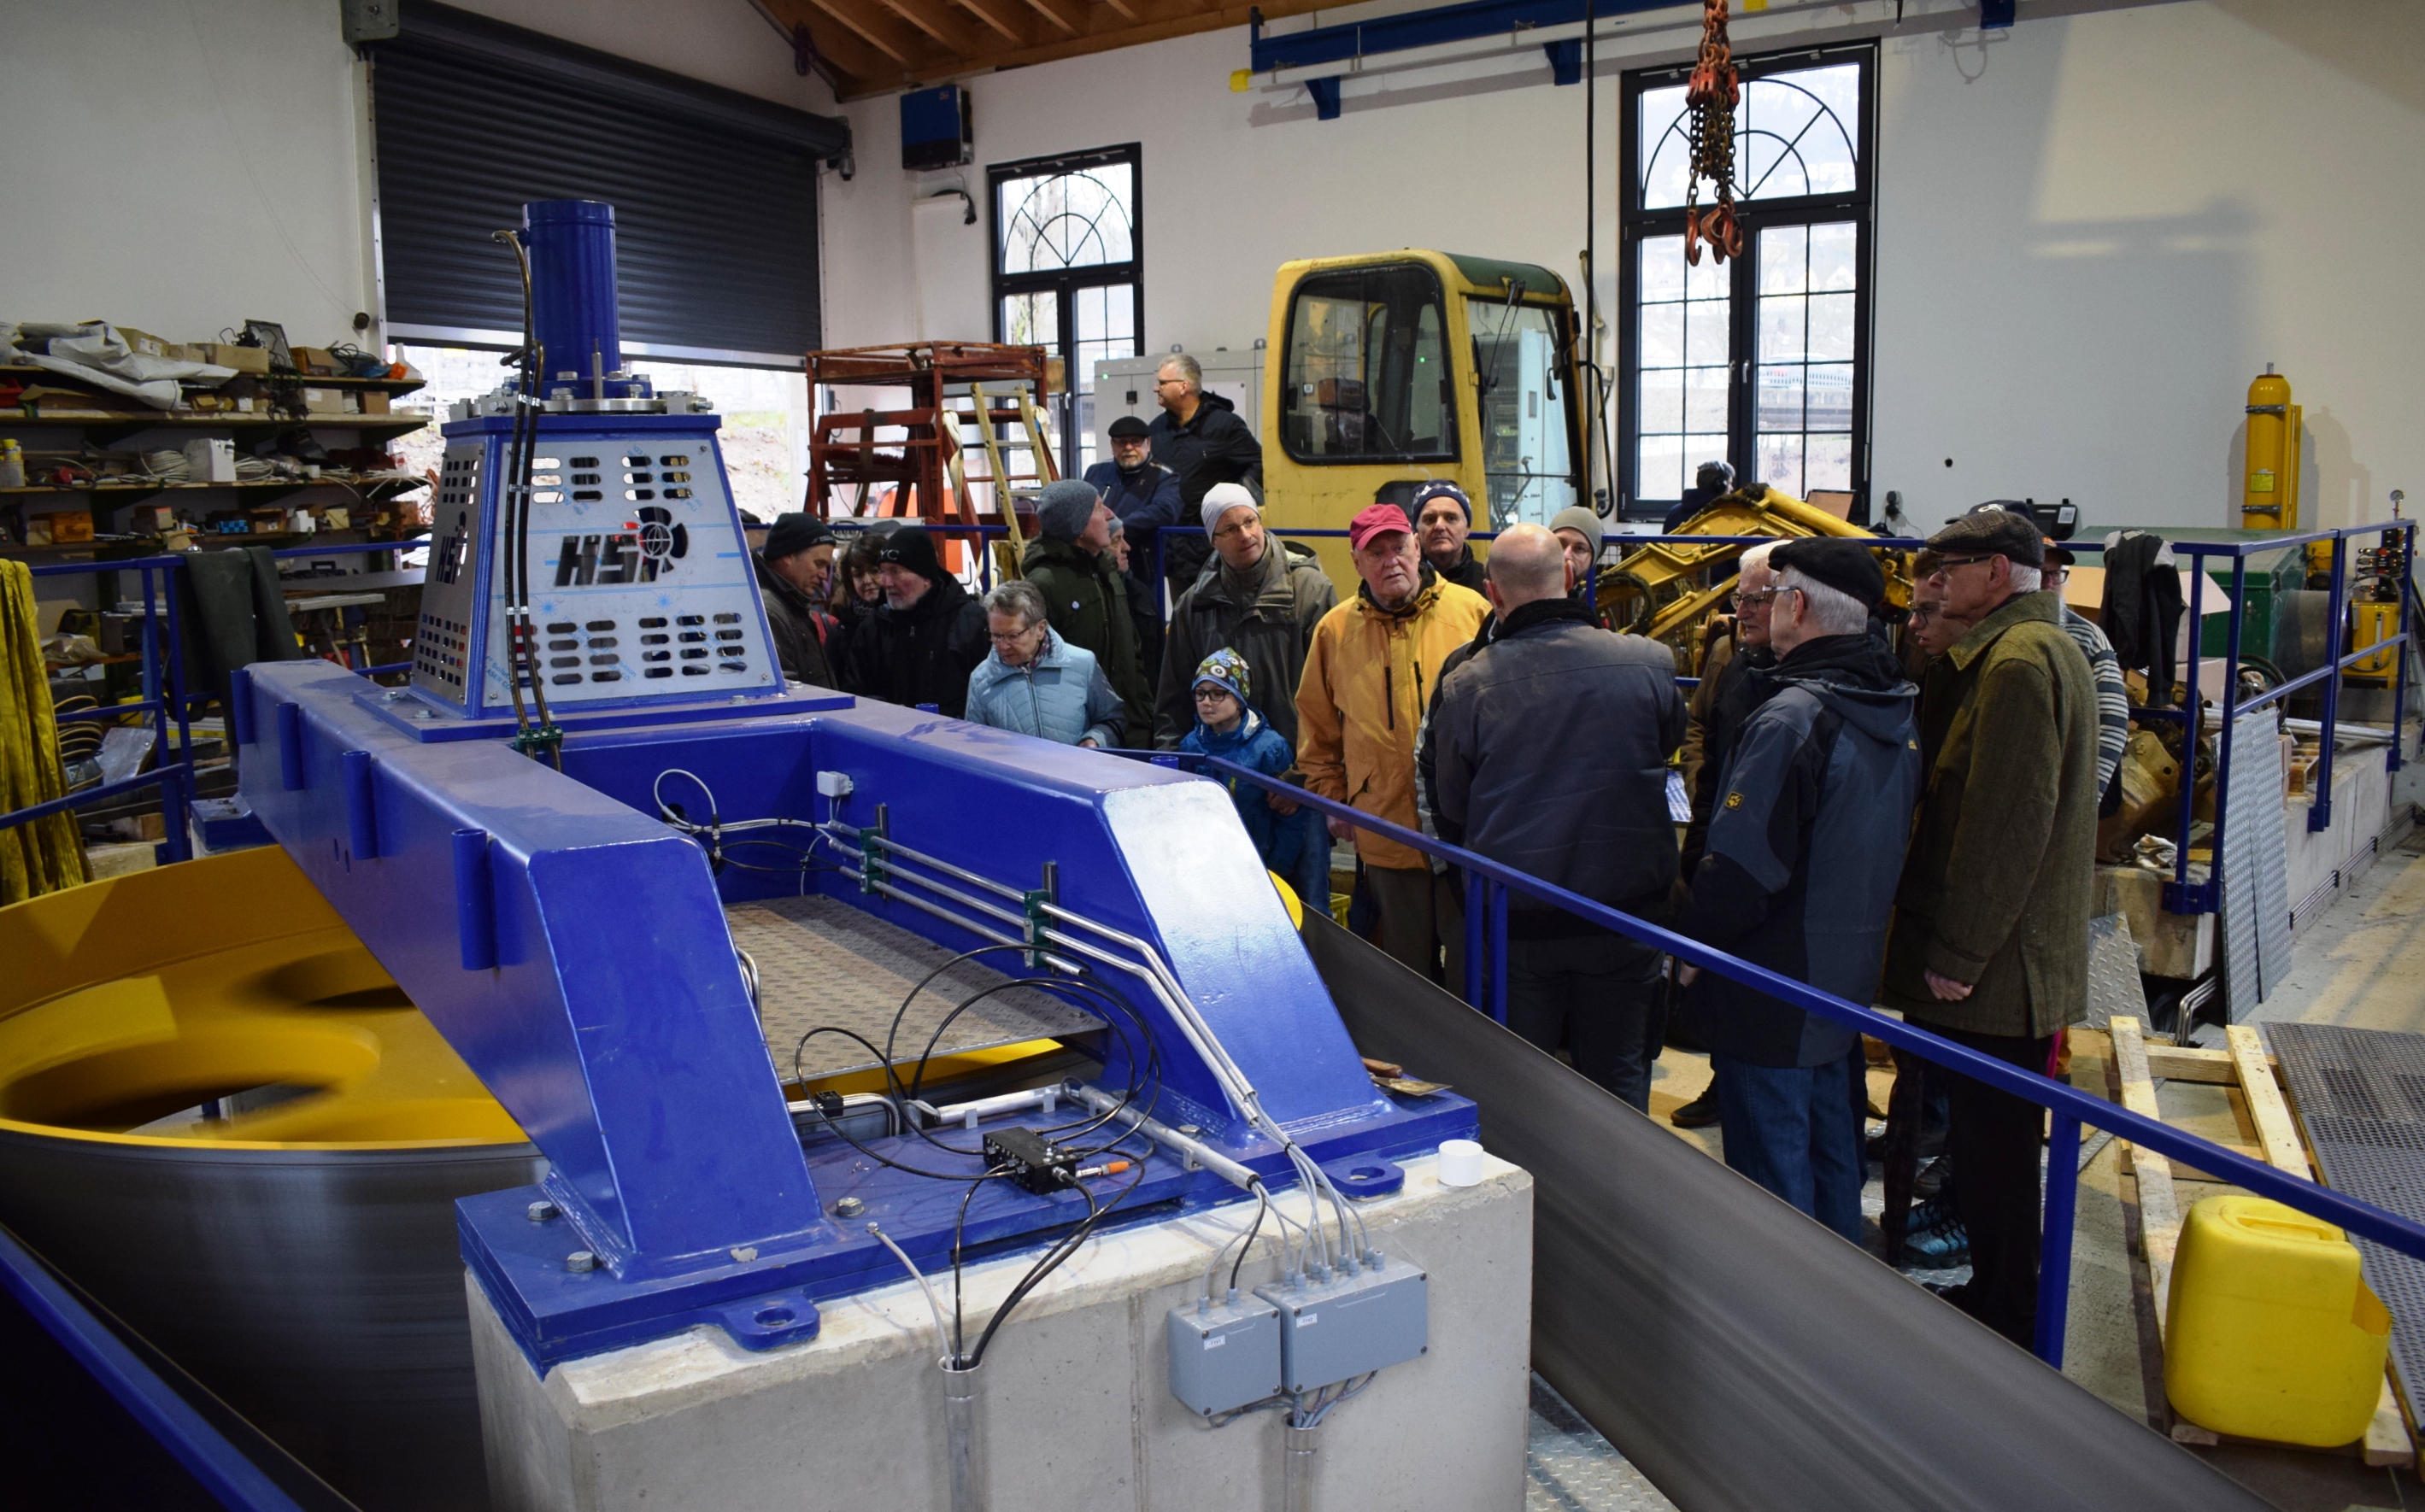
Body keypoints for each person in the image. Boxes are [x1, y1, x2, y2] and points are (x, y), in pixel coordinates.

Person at [1881, 510, 2098, 1348]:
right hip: (2013, 956)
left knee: (1997, 1152)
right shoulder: (2031, 648)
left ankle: (2009, 1313)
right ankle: (2000, 1295)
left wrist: (1960, 952)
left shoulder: (2016, 663)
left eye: (1950, 570)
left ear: (1999, 573)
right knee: (1989, 1146)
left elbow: (2006, 827)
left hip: (2001, 968)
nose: (1934, 587)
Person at [1674, 539, 1922, 1239]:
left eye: (1776, 592)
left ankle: (1781, 1300)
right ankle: (1840, 1287)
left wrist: (1691, 946)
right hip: (1841, 979)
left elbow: (1742, 867)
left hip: (1771, 989)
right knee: (1831, 1152)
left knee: (1772, 1179)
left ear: (1798, 605)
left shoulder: (1792, 718)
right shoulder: (1894, 706)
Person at [1423, 525, 1682, 1106]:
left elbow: (1452, 802)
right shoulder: (1650, 663)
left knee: (1522, 1084)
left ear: (1492, 593)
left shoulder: (1467, 683)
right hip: (1627, 916)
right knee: (1619, 1081)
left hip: (1516, 919)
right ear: (1568, 575)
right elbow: (1666, 748)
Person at [1296, 503, 1490, 982]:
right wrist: (1333, 799)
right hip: (1382, 825)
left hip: (1464, 831)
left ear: (1417, 547)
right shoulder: (1334, 630)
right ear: (1356, 562)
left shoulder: (1472, 613)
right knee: (1405, 973)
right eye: (1376, 553)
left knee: (1472, 967)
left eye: (1399, 547)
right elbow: (1317, 729)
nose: (1391, 561)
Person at [1666, 539, 1782, 1131]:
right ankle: (1723, 1081)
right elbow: (1699, 726)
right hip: (1718, 827)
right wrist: (1699, 781)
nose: (1746, 611)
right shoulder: (1729, 654)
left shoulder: (1802, 678)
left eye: (1759, 599)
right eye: (1741, 598)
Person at [1153, 483, 1336, 750]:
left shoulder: (1312, 592)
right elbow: (1174, 702)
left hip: (1297, 765)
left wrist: (1313, 769)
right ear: (1213, 541)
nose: (1245, 535)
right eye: (1230, 529)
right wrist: (1174, 762)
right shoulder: (1193, 607)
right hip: (1217, 766)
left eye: (1250, 522)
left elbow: (1336, 693)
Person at [1177, 648, 1328, 910]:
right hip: (1209, 869)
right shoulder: (1190, 746)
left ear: (1239, 699)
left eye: (1218, 693)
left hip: (1260, 868)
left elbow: (1290, 819)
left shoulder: (1270, 748)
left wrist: (1276, 870)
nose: (1206, 702)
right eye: (1200, 693)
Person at [1023, 479, 1151, 744]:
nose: (1110, 515)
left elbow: (1132, 650)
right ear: (1077, 526)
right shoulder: (1044, 584)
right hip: (1081, 739)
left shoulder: (1106, 571)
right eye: (1098, 508)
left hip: (1130, 728)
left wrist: (1145, 714)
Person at [1147, 355, 1263, 594]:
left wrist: (1234, 505)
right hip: (1175, 550)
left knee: (1225, 608)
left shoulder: (1224, 425)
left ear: (1184, 386)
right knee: (1185, 610)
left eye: (1162, 383)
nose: (1156, 388)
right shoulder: (1156, 430)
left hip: (1219, 547)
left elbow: (1258, 464)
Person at [963, 580, 1124, 748]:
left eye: (1013, 636)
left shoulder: (1083, 665)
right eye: (996, 635)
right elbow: (974, 748)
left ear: (1040, 629)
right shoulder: (981, 680)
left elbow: (1112, 719)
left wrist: (1096, 740)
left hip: (1074, 766)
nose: (1003, 646)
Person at [1084, 416, 1185, 677]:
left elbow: (1166, 510)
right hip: (1094, 566)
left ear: (1148, 443)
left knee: (1143, 632)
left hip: (1141, 568)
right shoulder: (1096, 473)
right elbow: (1082, 508)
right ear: (1112, 445)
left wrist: (1113, 528)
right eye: (1121, 442)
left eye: (1135, 442)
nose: (1128, 448)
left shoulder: (1164, 476)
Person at [859, 525, 989, 718]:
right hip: (889, 733)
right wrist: (885, 710)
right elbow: (853, 691)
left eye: (896, 572)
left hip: (956, 735)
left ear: (926, 578)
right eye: (883, 571)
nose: (885, 582)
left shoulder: (973, 625)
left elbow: (990, 695)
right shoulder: (873, 628)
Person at [2045, 542, 2129, 806]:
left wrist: (2085, 803)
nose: (2049, 584)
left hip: (2065, 792)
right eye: (2039, 574)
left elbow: (2112, 721)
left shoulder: (2086, 637)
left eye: (2055, 574)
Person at [751, 513, 843, 689]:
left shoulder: (791, 603)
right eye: (818, 564)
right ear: (788, 556)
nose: (824, 575)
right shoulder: (768, 610)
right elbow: (783, 690)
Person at [1412, 482, 1487, 595]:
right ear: (1416, 530)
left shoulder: (1489, 584)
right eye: (1430, 519)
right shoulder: (1404, 585)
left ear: (1467, 528)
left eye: (1451, 518)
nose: (1439, 526)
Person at [1549, 505, 1609, 628]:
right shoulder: (1518, 597)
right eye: (1559, 543)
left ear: (1592, 561)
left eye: (1580, 548)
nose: (1566, 555)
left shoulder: (1590, 619)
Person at [1664, 460, 1737, 535]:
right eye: (1730, 483)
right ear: (1721, 486)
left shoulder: (1673, 513)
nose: (1732, 488)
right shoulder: (1723, 515)